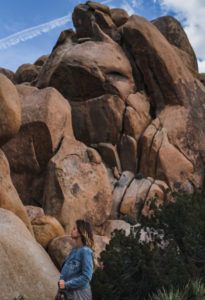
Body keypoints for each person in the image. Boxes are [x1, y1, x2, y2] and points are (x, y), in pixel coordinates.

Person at [55, 219, 97, 300]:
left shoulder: (86, 251)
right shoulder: (74, 249)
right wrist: (59, 291)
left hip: (80, 295)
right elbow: (65, 271)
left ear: (81, 233)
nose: (71, 230)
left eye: (74, 229)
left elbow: (86, 277)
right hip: (68, 293)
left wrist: (66, 285)